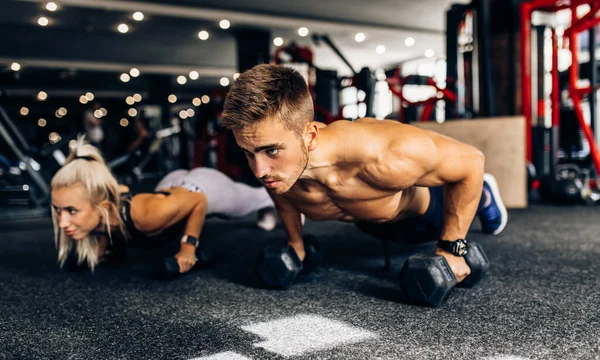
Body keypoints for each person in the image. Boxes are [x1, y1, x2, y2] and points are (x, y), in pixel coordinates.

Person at [222, 64, 508, 283]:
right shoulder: (280, 172)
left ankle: (483, 195)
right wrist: (296, 244)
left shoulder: (386, 152)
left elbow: (472, 159)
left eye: (271, 151)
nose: (259, 171)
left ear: (310, 136)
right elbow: (283, 199)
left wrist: (452, 248)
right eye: (248, 152)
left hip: (425, 216)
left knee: (465, 177)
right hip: (370, 221)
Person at [50, 137, 277, 274]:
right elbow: (121, 196)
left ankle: (272, 201)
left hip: (202, 188)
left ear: (104, 206)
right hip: (169, 186)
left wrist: (188, 248)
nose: (62, 222)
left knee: (245, 204)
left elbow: (199, 201)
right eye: (58, 210)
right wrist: (100, 251)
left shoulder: (147, 217)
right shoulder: (105, 214)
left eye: (71, 211)